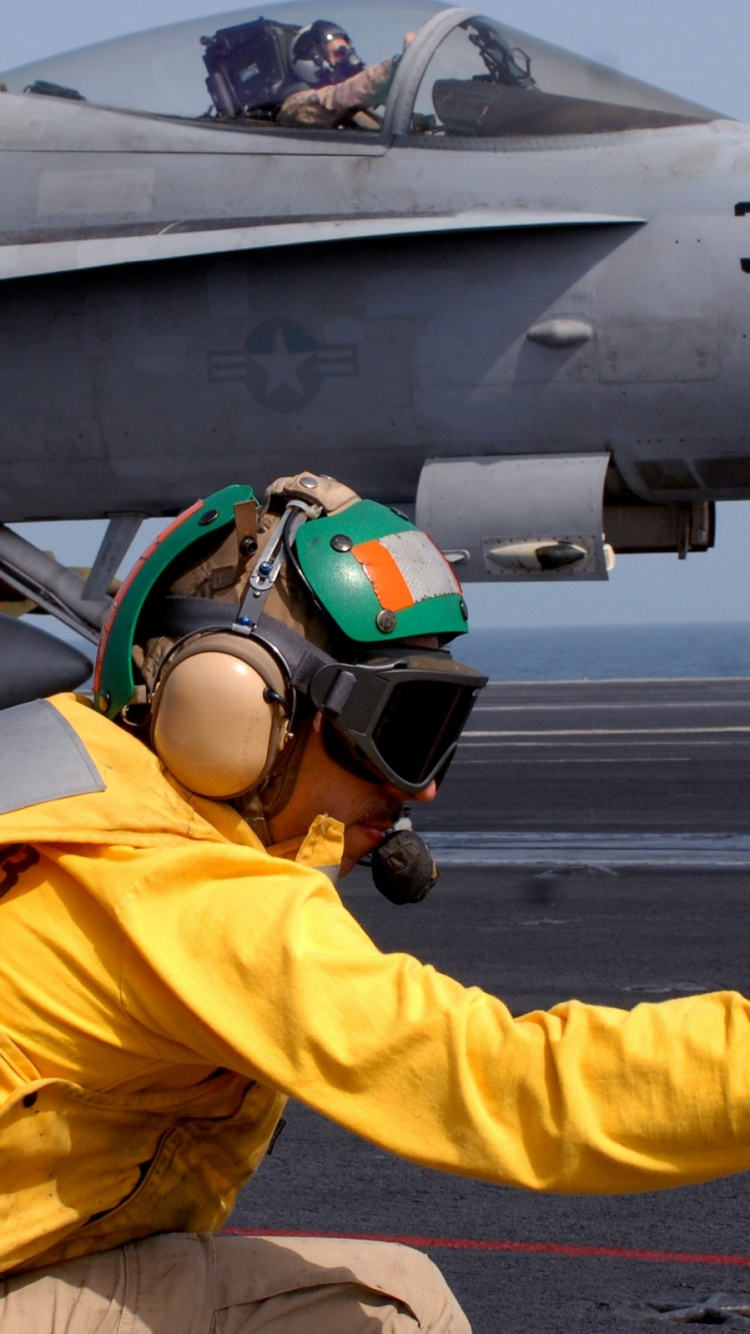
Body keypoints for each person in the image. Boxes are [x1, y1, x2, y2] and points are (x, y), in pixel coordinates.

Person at [2, 469, 750, 1334]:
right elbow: (514, 1091)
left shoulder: (62, 801)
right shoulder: (188, 897)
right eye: (393, 730)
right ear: (240, 710)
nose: (417, 791)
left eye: (433, 736)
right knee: (389, 1310)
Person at [277, 20, 413, 129]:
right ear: (312, 59)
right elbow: (338, 97)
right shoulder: (295, 106)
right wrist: (395, 67)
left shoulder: (355, 108)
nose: (350, 60)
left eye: (349, 52)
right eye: (339, 53)